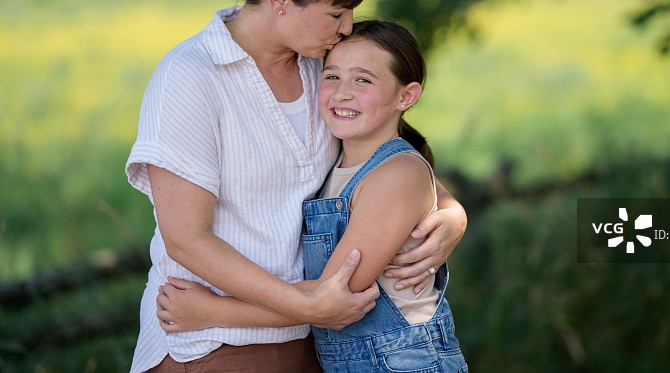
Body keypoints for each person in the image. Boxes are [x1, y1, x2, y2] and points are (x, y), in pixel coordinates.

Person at [125, 0, 467, 372]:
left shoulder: (322, 67)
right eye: (335, 12)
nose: (347, 26)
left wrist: (450, 213)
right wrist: (304, 306)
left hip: (317, 340)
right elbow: (187, 240)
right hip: (213, 341)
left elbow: (391, 153)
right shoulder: (190, 78)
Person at [157, 20, 468, 372]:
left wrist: (213, 311)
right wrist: (456, 212)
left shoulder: (397, 174)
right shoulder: (337, 156)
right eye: (332, 76)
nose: (342, 93)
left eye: (363, 79)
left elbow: (331, 297)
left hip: (405, 362)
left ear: (406, 96)